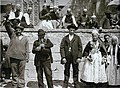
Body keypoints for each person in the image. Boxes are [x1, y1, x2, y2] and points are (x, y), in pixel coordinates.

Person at [4, 18, 29, 88]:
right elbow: (8, 28)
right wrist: (7, 22)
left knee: (21, 73)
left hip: (22, 58)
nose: (18, 31)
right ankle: (15, 85)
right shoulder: (13, 36)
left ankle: (21, 85)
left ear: (21, 31)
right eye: (16, 30)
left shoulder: (25, 38)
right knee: (14, 73)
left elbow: (27, 49)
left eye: (19, 30)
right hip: (13, 57)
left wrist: (27, 57)